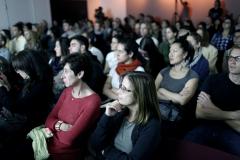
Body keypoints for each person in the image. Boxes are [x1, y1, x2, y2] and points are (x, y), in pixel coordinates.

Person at [90, 71, 161, 160]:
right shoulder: (119, 113)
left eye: (124, 88)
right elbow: (95, 143)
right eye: (120, 87)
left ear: (140, 94)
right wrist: (107, 116)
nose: (118, 91)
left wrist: (105, 151)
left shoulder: (152, 125)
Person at [184, 47, 240, 157]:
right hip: (206, 127)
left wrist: (212, 108)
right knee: (185, 148)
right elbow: (200, 113)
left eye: (238, 58)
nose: (232, 61)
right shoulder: (212, 79)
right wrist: (233, 115)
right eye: (230, 58)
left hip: (232, 133)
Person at [45, 53, 101, 160]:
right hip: (47, 144)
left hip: (66, 154)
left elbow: (69, 140)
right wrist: (60, 126)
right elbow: (48, 119)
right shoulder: (67, 91)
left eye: (66, 72)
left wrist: (53, 127)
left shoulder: (93, 101)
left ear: (80, 74)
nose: (62, 76)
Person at [0, 49, 53, 149]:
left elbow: (15, 107)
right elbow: (19, 100)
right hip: (21, 119)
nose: (18, 73)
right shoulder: (32, 80)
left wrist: (2, 88)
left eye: (19, 69)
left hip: (29, 125)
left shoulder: (41, 86)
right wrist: (7, 85)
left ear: (28, 66)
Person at [155, 39, 199, 138]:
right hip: (156, 110)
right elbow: (151, 93)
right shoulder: (164, 71)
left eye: (175, 51)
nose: (170, 54)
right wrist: (175, 97)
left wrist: (162, 91)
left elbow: (183, 101)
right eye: (170, 51)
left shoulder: (192, 76)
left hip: (173, 117)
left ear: (184, 54)